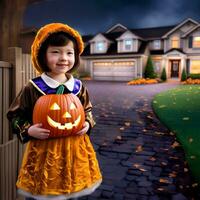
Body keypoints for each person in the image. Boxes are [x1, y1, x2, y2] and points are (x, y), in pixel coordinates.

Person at [7, 23, 102, 200]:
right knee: (47, 193)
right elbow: (15, 115)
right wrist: (28, 129)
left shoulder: (78, 87)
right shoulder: (34, 88)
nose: (63, 58)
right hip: (46, 150)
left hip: (76, 148)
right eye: (55, 52)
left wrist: (87, 123)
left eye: (69, 53)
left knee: (74, 190)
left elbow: (87, 109)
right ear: (42, 55)